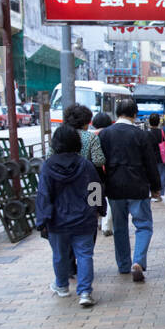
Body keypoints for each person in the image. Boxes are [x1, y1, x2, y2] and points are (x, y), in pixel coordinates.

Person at [35, 124, 105, 308]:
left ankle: (62, 286)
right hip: (83, 218)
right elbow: (95, 188)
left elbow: (43, 194)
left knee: (59, 254)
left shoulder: (48, 166)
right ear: (76, 142)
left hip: (57, 220)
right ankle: (85, 292)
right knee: (84, 255)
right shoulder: (85, 164)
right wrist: (98, 210)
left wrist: (42, 219)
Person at [99, 97, 161, 281]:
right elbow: (151, 163)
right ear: (135, 114)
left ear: (117, 113)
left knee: (119, 227)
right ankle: (138, 262)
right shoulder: (141, 135)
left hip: (114, 187)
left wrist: (98, 192)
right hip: (138, 186)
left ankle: (124, 265)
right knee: (143, 226)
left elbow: (98, 163)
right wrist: (156, 187)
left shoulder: (105, 134)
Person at [146, 112, 165, 197]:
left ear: (149, 122)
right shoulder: (163, 133)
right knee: (162, 175)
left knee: (149, 175)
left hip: (149, 158)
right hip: (161, 157)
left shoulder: (146, 133)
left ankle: (151, 192)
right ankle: (161, 193)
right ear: (159, 122)